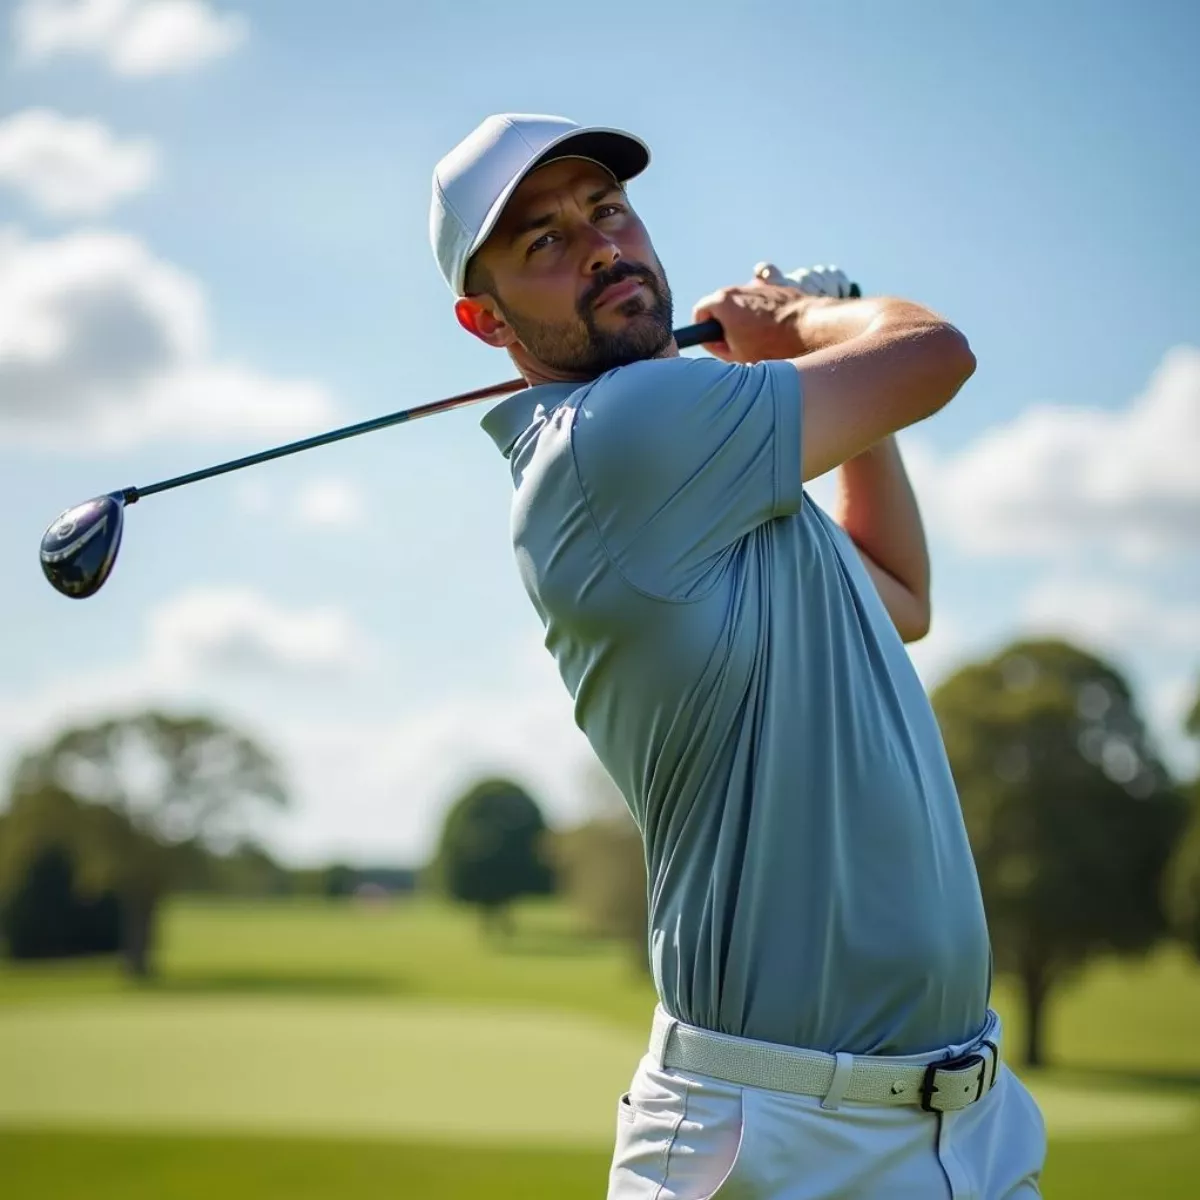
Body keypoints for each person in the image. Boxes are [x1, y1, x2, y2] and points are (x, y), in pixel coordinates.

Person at [430, 113, 1047, 1198]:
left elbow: (899, 594)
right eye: (544, 242)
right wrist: (811, 317)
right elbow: (939, 352)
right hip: (781, 1144)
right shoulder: (625, 433)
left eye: (607, 210)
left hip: (965, 1130)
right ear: (487, 323)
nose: (602, 248)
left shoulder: (700, 474)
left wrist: (824, 382)